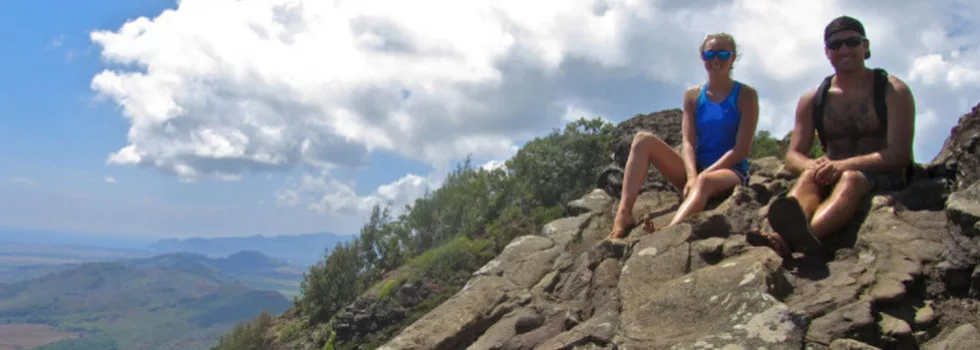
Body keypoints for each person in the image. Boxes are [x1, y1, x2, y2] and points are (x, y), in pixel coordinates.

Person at [749, 16, 916, 257]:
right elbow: (793, 155)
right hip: (831, 172)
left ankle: (799, 239)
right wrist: (813, 166)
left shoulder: (892, 90)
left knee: (851, 178)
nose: (844, 49)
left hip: (882, 173)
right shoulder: (813, 99)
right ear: (827, 52)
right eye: (836, 45)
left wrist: (842, 166)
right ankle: (781, 237)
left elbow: (899, 154)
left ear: (865, 46)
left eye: (852, 42)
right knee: (809, 176)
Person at [608, 32, 759, 239]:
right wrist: (692, 176)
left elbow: (741, 149)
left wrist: (700, 178)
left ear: (733, 57)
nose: (716, 60)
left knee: (704, 182)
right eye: (710, 55)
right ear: (702, 57)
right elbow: (688, 142)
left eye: (723, 54)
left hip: (730, 173)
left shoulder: (746, 95)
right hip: (696, 171)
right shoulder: (693, 96)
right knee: (643, 140)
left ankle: (670, 232)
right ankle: (623, 214)